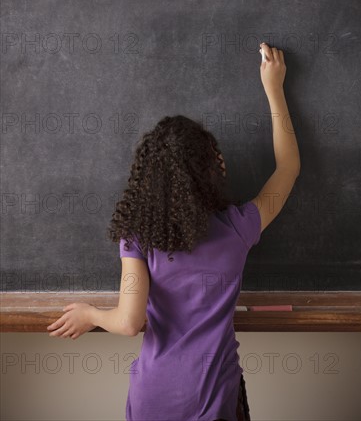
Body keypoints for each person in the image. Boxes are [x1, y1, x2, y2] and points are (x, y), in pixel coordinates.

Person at [47, 43, 301, 421]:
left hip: (154, 398)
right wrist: (274, 89)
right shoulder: (237, 226)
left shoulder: (138, 238)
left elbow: (130, 322)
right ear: (211, 171)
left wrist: (91, 315)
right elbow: (288, 168)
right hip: (214, 399)